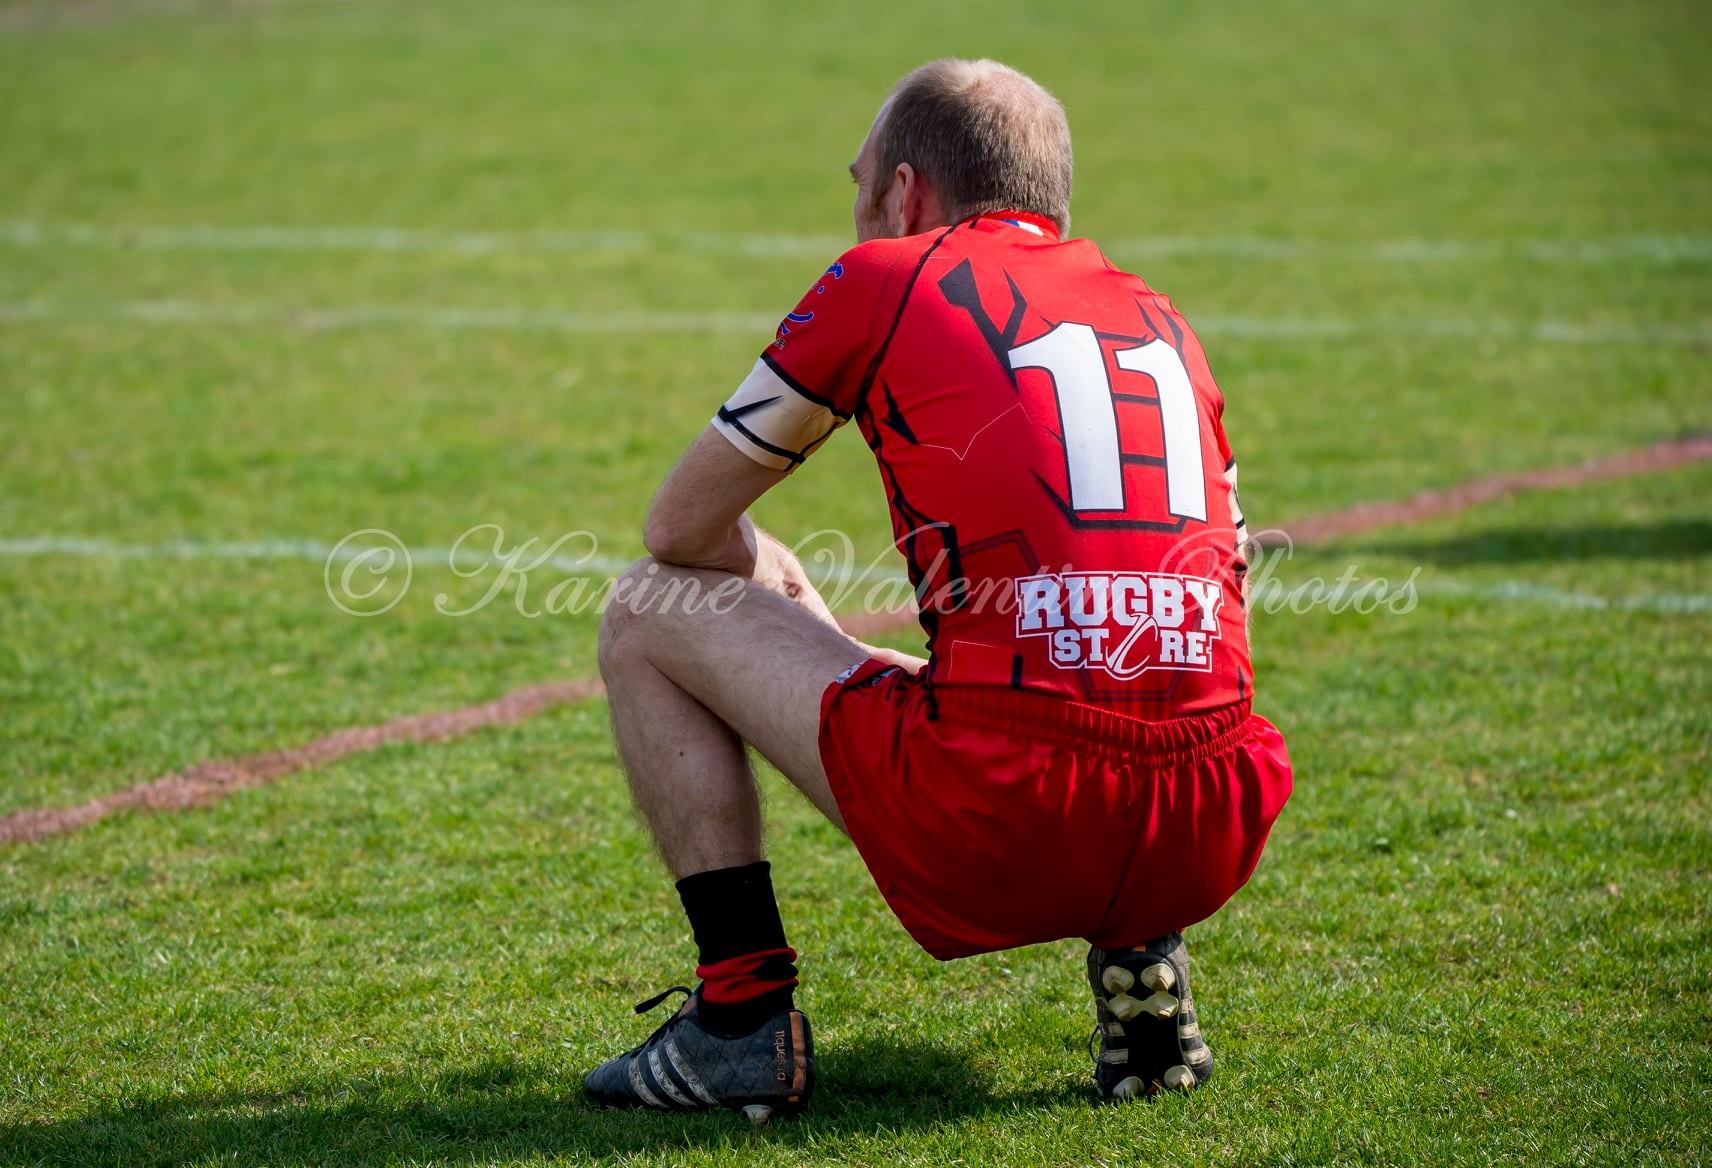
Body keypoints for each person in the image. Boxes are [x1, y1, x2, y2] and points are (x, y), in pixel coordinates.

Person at [585, 57, 1293, 1122]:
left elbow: (675, 529)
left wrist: (753, 581)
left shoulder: (888, 276)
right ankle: (1141, 959)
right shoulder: (1158, 315)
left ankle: (738, 1021)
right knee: (1088, 651)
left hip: (1010, 817)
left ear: (906, 193)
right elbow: (1221, 579)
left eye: (859, 183)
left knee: (649, 604)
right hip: (1211, 813)